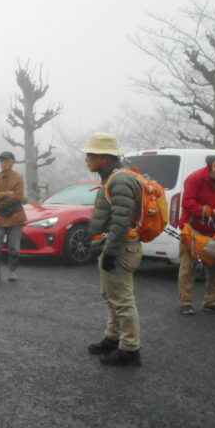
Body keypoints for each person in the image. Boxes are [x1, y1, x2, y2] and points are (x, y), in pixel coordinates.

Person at [82, 132, 144, 366]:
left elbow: (121, 219)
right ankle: (112, 338)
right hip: (116, 247)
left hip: (120, 249)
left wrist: (110, 251)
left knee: (122, 300)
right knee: (111, 296)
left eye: (91, 154)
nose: (87, 158)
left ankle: (130, 349)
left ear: (105, 158)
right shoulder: (113, 178)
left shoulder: (118, 180)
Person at [177, 153, 215, 315]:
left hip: (214, 231)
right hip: (191, 228)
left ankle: (212, 301)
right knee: (187, 266)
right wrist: (211, 212)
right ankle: (186, 301)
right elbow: (188, 203)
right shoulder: (196, 178)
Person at [0, 151, 26, 282]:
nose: (3, 163)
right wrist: (7, 194)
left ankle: (13, 272)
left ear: (12, 162)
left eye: (6, 161)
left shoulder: (18, 177)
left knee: (14, 247)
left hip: (15, 215)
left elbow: (18, 196)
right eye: (1, 161)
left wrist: (1, 196)